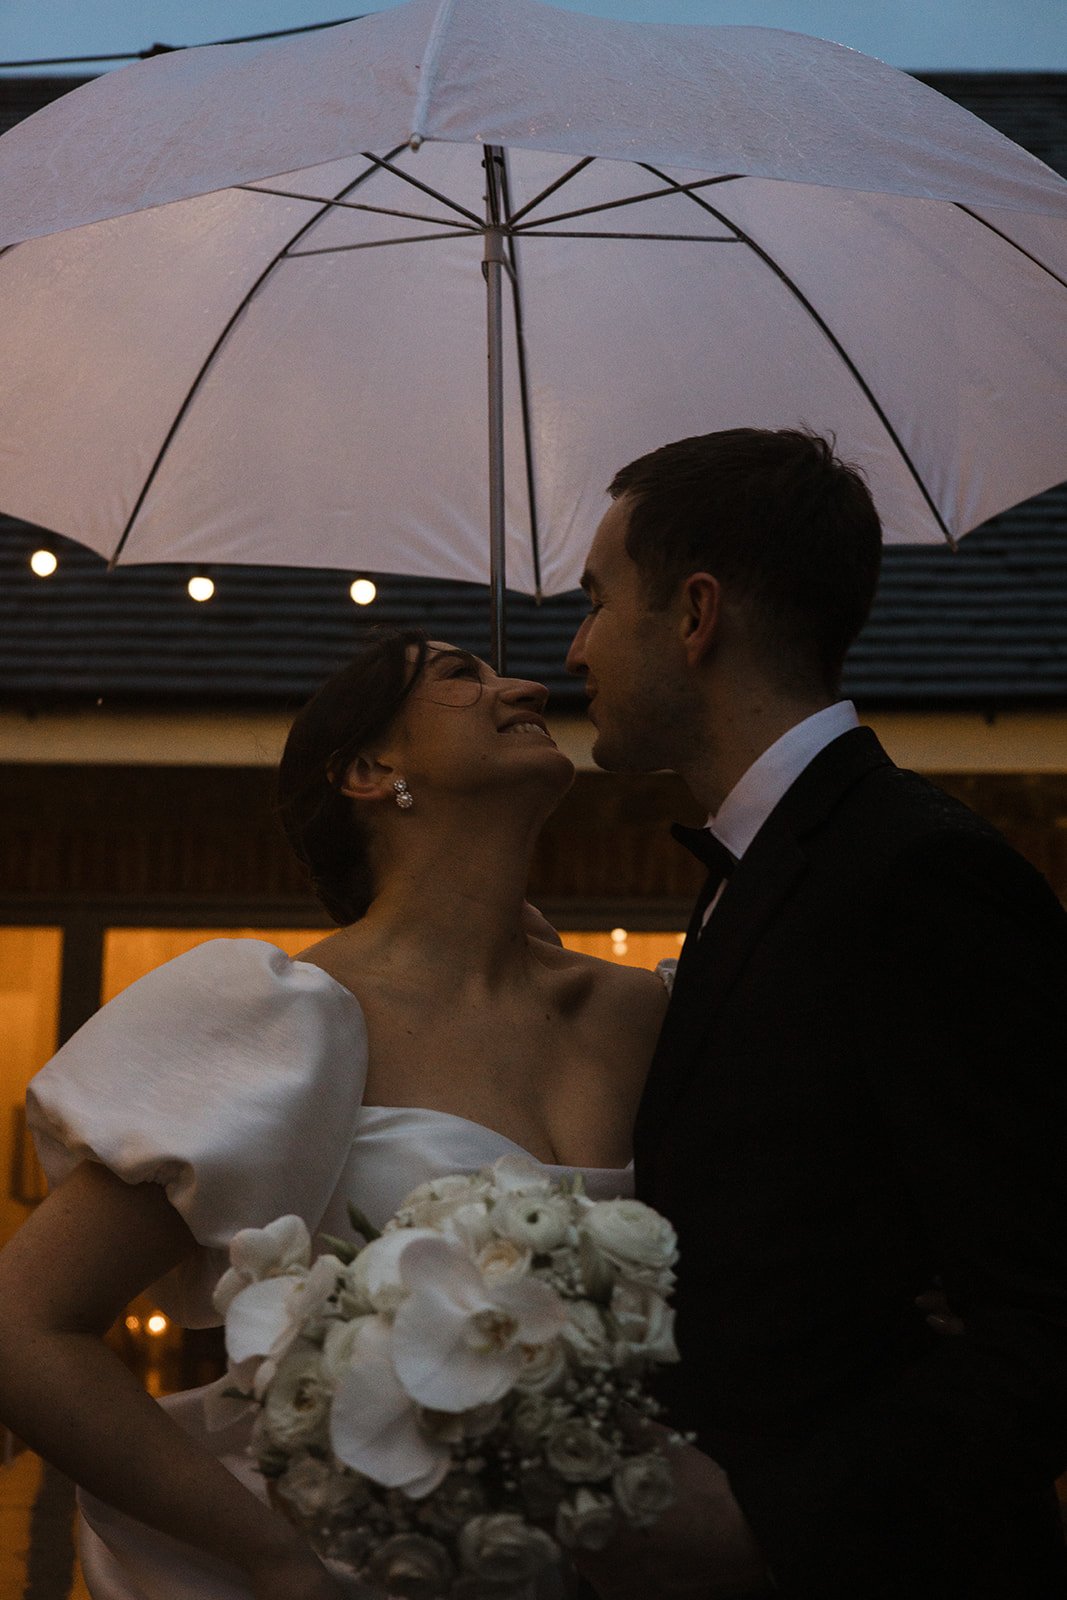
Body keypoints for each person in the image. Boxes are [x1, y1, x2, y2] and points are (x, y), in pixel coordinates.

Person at [0, 630, 671, 1600]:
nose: (522, 682)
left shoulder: (637, 1015)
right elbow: (24, 1327)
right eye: (458, 676)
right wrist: (273, 1557)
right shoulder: (280, 1016)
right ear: (368, 769)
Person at [565, 428, 1067, 1599]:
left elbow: (1046, 1315)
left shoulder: (916, 876)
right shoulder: (766, 868)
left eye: (594, 602)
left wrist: (763, 1524)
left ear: (693, 615)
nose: (574, 646)